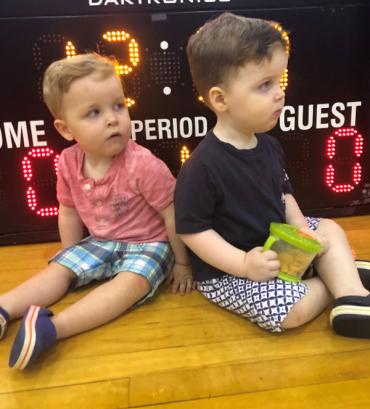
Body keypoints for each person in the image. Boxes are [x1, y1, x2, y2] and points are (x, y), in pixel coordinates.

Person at [174, 12, 370, 338]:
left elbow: (284, 194)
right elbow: (194, 233)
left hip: (277, 246)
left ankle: (352, 296)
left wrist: (302, 230)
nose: (280, 93)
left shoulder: (268, 145)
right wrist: (243, 264)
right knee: (289, 312)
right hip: (230, 271)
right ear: (220, 99)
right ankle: (334, 275)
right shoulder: (201, 167)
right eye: (265, 85)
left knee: (329, 229)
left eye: (278, 81)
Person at [0, 53, 192, 370]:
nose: (112, 119)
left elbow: (173, 213)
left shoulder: (142, 164)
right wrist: (70, 255)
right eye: (94, 113)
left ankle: (52, 328)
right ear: (65, 128)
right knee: (59, 271)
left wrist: (183, 264)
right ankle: (5, 307)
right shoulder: (68, 163)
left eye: (118, 106)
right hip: (100, 241)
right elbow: (69, 211)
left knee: (130, 285)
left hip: (149, 244)